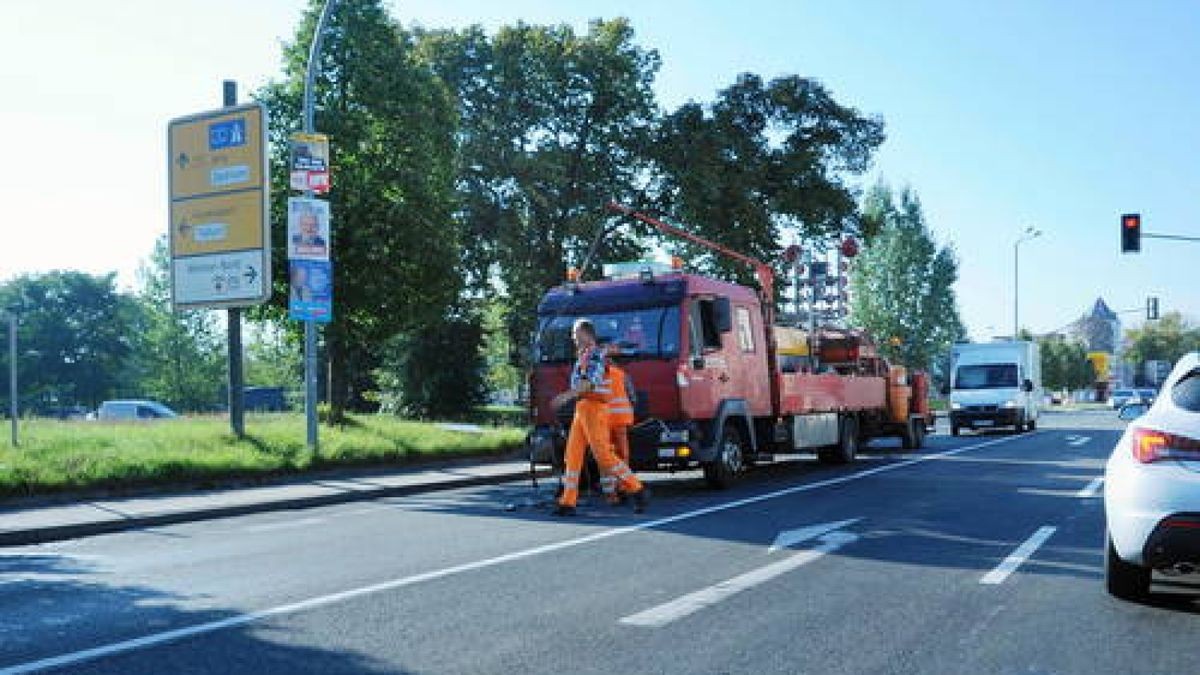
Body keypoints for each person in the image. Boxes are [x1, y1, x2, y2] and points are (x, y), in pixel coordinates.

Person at [550, 318, 648, 516]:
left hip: (594, 408)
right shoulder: (585, 355)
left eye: (574, 333)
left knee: (603, 455)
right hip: (583, 408)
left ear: (586, 334)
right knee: (573, 455)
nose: (572, 337)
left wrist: (566, 396)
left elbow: (591, 383)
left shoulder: (595, 354)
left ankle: (637, 489)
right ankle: (567, 502)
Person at [600, 352, 636, 505]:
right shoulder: (622, 375)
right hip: (620, 422)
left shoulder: (596, 377)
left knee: (606, 457)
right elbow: (632, 397)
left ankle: (611, 493)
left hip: (603, 423)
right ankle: (623, 487)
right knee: (622, 456)